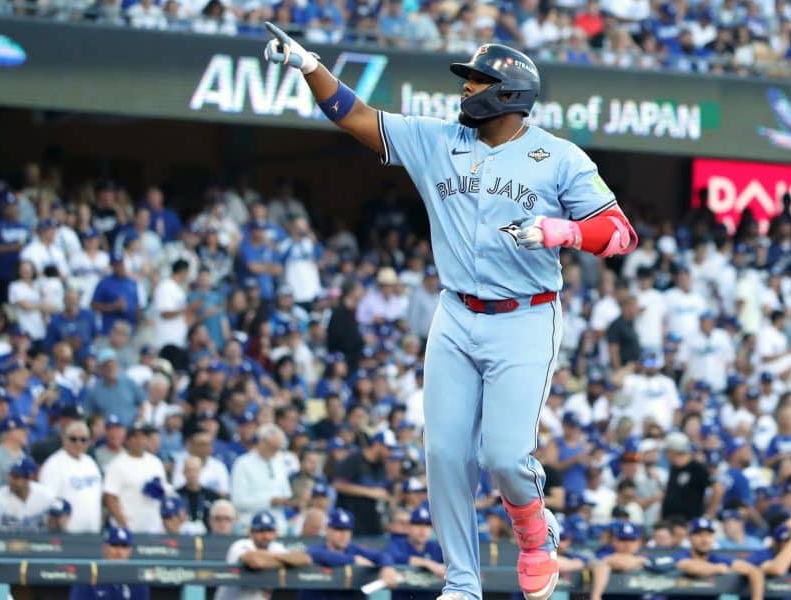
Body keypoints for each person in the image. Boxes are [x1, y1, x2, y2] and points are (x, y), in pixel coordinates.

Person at [263, 27, 637, 600]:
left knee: (505, 457)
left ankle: (536, 532)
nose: (467, 88)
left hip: (525, 316)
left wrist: (563, 231)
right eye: (468, 79)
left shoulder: (559, 157)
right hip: (456, 313)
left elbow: (619, 235)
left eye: (479, 80)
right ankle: (462, 582)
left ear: (510, 93)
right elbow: (356, 117)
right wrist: (311, 66)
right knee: (442, 454)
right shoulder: (437, 139)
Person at [214, 511, 313, 600]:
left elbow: (305, 559)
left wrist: (270, 557)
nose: (265, 536)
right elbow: (257, 562)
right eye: (260, 531)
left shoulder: (275, 547)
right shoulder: (240, 545)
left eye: (269, 530)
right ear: (251, 532)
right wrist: (285, 561)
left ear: (275, 533)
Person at [102, 424, 173, 533]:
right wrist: (124, 525)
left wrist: (160, 490)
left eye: (142, 437)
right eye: (135, 437)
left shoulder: (155, 462)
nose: (139, 441)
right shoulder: (117, 464)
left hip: (154, 527)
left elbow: (164, 492)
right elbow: (110, 498)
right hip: (128, 528)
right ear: (127, 440)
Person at [675, 518, 765, 600]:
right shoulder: (682, 555)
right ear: (689, 538)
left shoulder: (716, 558)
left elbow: (754, 571)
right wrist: (717, 568)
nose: (704, 540)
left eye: (708, 535)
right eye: (699, 535)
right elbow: (690, 567)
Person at [38, 420, 103, 532]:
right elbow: (47, 500)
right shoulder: (53, 464)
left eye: (83, 440)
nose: (78, 443)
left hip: (92, 531)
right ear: (64, 439)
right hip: (66, 534)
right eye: (73, 439)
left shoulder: (90, 463)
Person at [231, 424, 293, 532]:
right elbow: (238, 501)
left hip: (278, 526)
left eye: (278, 448)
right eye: (273, 447)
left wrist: (288, 501)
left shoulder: (279, 462)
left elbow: (287, 493)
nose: (276, 451)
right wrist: (269, 501)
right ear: (261, 442)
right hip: (251, 526)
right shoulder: (243, 463)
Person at [69, 527, 150, 600]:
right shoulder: (88, 576)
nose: (119, 552)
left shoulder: (138, 579)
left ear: (130, 550)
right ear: (104, 548)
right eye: (114, 545)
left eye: (124, 546)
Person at [385, 506, 447, 582]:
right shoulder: (398, 544)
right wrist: (427, 563)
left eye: (428, 525)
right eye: (418, 524)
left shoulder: (436, 547)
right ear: (408, 526)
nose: (423, 529)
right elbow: (393, 557)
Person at [0, 457, 55, 531]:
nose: (11, 480)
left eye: (16, 477)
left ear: (29, 478)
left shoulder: (46, 496)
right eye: (10, 475)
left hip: (39, 541)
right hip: (8, 541)